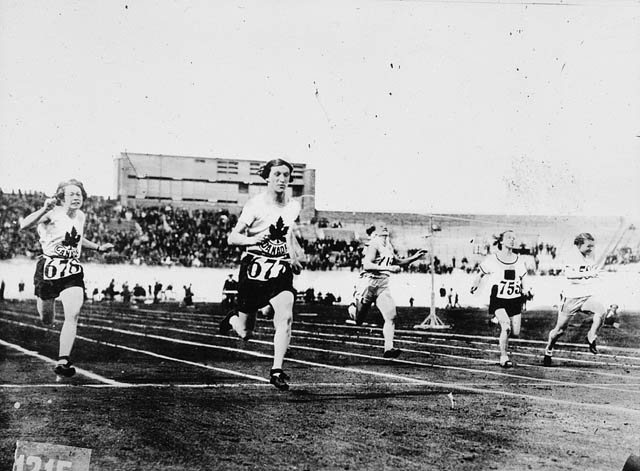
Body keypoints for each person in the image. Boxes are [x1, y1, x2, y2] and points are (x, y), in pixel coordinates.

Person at [219, 158, 304, 390]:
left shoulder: (293, 206)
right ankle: (232, 319)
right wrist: (252, 239)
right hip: (253, 269)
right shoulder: (255, 205)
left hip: (279, 269)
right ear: (267, 177)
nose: (282, 179)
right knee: (246, 333)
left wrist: (295, 256)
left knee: (286, 316)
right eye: (277, 174)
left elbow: (288, 234)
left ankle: (276, 371)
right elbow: (232, 237)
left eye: (286, 175)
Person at [19, 179, 113, 378]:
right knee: (47, 319)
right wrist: (44, 210)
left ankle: (63, 360)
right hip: (48, 268)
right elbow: (23, 225)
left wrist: (97, 247)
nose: (77, 197)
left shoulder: (80, 216)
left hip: (71, 269)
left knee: (73, 312)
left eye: (79, 194)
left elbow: (77, 238)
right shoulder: (51, 213)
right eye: (72, 194)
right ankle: (46, 310)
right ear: (61, 197)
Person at [347, 223, 427, 358]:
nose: (385, 229)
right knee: (359, 320)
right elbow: (367, 265)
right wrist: (388, 269)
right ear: (376, 232)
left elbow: (397, 262)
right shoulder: (373, 244)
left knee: (391, 316)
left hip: (382, 284)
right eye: (381, 228)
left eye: (386, 228)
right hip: (368, 283)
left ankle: (388, 348)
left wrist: (415, 257)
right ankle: (352, 309)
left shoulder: (388, 245)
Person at [542, 232, 609, 366]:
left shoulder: (590, 256)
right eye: (588, 246)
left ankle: (591, 335)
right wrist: (590, 274)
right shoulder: (570, 256)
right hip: (571, 298)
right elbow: (569, 275)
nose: (591, 249)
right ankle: (549, 349)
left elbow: (589, 273)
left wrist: (594, 276)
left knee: (602, 311)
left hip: (586, 296)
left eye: (593, 246)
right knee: (559, 330)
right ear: (579, 244)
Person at [470, 230, 531, 368]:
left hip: (515, 299)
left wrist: (525, 289)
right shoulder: (493, 259)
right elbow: (480, 274)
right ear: (501, 241)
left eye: (514, 238)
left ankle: (499, 320)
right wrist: (475, 283)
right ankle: (504, 356)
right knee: (507, 328)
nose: (512, 240)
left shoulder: (519, 260)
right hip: (499, 298)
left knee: (516, 332)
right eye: (509, 238)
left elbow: (522, 277)